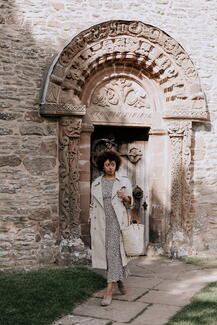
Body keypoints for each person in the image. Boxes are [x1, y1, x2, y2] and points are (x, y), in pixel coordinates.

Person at [90, 150, 133, 306]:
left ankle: (108, 291)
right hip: (101, 223)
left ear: (116, 165)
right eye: (107, 165)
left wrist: (125, 197)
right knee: (108, 255)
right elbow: (93, 205)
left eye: (112, 164)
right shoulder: (96, 183)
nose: (110, 167)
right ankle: (119, 280)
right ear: (102, 166)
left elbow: (131, 202)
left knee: (114, 252)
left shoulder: (123, 181)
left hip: (116, 222)